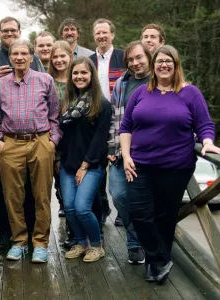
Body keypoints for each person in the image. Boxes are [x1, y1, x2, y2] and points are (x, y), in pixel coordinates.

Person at [120, 45, 220, 284]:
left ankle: (155, 264)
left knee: (165, 216)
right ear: (153, 65)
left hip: (175, 167)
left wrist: (207, 142)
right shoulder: (140, 93)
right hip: (140, 165)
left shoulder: (191, 93)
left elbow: (204, 125)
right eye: (159, 61)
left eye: (168, 61)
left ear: (176, 64)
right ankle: (159, 257)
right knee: (136, 211)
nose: (163, 65)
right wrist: (126, 156)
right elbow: (126, 126)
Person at [0, 39, 61, 263]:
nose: (20, 57)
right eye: (16, 54)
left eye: (24, 53)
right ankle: (19, 241)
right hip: (11, 143)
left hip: (40, 141)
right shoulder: (1, 84)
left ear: (31, 57)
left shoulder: (45, 80)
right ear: (10, 57)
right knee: (13, 195)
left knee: (42, 195)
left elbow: (54, 114)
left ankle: (40, 243)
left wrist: (53, 140)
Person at [0, 17, 45, 249]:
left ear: (20, 32)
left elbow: (45, 100)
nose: (9, 33)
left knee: (30, 189)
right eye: (5, 30)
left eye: (13, 30)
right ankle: (5, 232)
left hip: (34, 139)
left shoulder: (35, 60)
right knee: (4, 191)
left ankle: (29, 233)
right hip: (3, 137)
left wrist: (50, 140)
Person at [58, 57, 111, 263]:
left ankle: (96, 246)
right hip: (67, 164)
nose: (79, 77)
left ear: (92, 76)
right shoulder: (67, 102)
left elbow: (99, 139)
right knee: (69, 207)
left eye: (84, 73)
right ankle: (81, 243)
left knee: (82, 207)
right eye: (75, 73)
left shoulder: (102, 105)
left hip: (91, 164)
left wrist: (85, 166)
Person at [107, 41, 152, 265]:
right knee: (119, 195)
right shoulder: (122, 83)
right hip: (121, 153)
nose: (135, 63)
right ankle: (136, 239)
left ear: (149, 56)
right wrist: (111, 147)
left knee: (147, 201)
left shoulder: (159, 80)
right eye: (130, 60)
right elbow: (115, 117)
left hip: (150, 154)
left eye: (139, 58)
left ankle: (141, 245)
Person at [90, 18, 126, 227]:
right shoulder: (88, 59)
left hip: (120, 118)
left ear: (112, 34)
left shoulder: (123, 57)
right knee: (98, 165)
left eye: (105, 32)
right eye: (98, 33)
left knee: (120, 162)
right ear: (94, 36)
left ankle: (123, 209)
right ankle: (102, 207)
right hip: (95, 118)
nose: (102, 36)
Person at [48, 41, 76, 249]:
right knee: (61, 187)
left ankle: (78, 230)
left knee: (76, 188)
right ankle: (70, 227)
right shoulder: (47, 81)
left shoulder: (79, 79)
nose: (59, 60)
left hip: (76, 141)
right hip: (53, 141)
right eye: (54, 57)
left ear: (70, 56)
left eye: (62, 56)